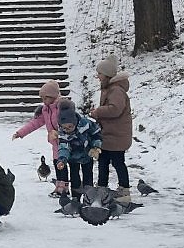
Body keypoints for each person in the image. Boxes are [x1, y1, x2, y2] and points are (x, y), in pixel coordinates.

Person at [12, 80, 69, 197]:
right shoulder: (45, 109)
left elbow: (70, 123)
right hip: (54, 143)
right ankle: (59, 187)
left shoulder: (62, 108)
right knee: (57, 163)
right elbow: (35, 123)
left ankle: (65, 189)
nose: (43, 101)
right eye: (42, 98)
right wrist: (20, 133)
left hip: (66, 142)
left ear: (52, 97)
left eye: (45, 98)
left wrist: (60, 133)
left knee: (63, 164)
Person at [89, 55, 133, 203]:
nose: (98, 76)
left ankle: (124, 190)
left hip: (116, 135)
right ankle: (102, 187)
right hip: (108, 135)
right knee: (103, 161)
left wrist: (98, 112)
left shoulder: (116, 91)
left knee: (118, 162)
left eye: (100, 74)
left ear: (107, 75)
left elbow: (115, 109)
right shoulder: (110, 89)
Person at [56, 100, 102, 199]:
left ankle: (88, 197)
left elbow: (96, 133)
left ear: (75, 122)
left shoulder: (85, 124)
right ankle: (75, 198)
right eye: (64, 128)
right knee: (74, 176)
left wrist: (96, 146)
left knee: (88, 175)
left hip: (87, 154)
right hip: (73, 157)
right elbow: (63, 147)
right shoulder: (63, 133)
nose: (67, 130)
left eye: (70, 126)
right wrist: (62, 159)